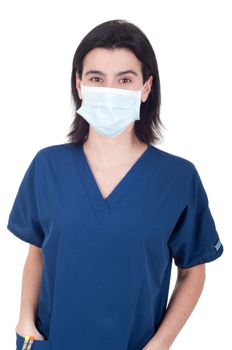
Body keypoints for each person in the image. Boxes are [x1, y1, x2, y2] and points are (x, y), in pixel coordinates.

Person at [7, 19, 223, 350]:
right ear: (79, 85)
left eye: (125, 79)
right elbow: (37, 251)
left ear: (146, 88)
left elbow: (193, 272)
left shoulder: (178, 179)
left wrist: (159, 345)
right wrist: (25, 321)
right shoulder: (47, 166)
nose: (109, 91)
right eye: (97, 79)